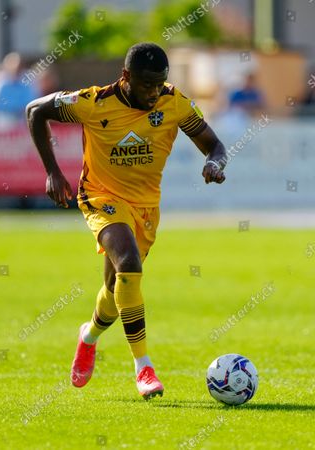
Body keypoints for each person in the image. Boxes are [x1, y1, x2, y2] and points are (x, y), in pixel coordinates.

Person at [26, 42, 226, 400]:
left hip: (146, 207)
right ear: (126, 76)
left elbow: (215, 145)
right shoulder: (93, 102)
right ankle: (144, 368)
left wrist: (215, 163)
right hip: (100, 197)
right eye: (146, 83)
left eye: (159, 82)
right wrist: (53, 172)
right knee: (129, 264)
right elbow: (35, 111)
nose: (153, 92)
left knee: (116, 287)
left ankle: (88, 336)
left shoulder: (173, 102)